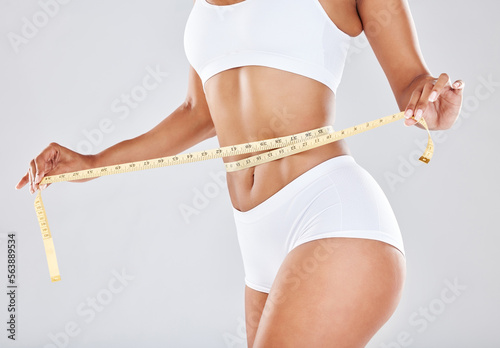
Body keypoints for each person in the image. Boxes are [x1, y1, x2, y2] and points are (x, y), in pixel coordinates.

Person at [16, 0, 464, 346]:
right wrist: (93, 164)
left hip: (330, 217)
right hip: (258, 244)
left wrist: (430, 103)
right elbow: (198, 112)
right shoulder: (205, 9)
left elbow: (414, 84)